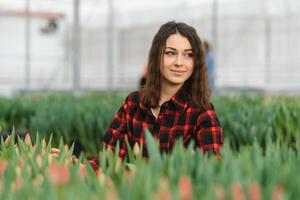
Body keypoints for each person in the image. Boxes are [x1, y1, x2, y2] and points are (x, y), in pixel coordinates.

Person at [89, 21, 223, 169]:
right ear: (156, 56)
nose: (179, 62)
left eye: (188, 55)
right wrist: (75, 166)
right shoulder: (133, 104)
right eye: (170, 53)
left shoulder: (202, 113)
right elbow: (108, 160)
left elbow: (211, 174)